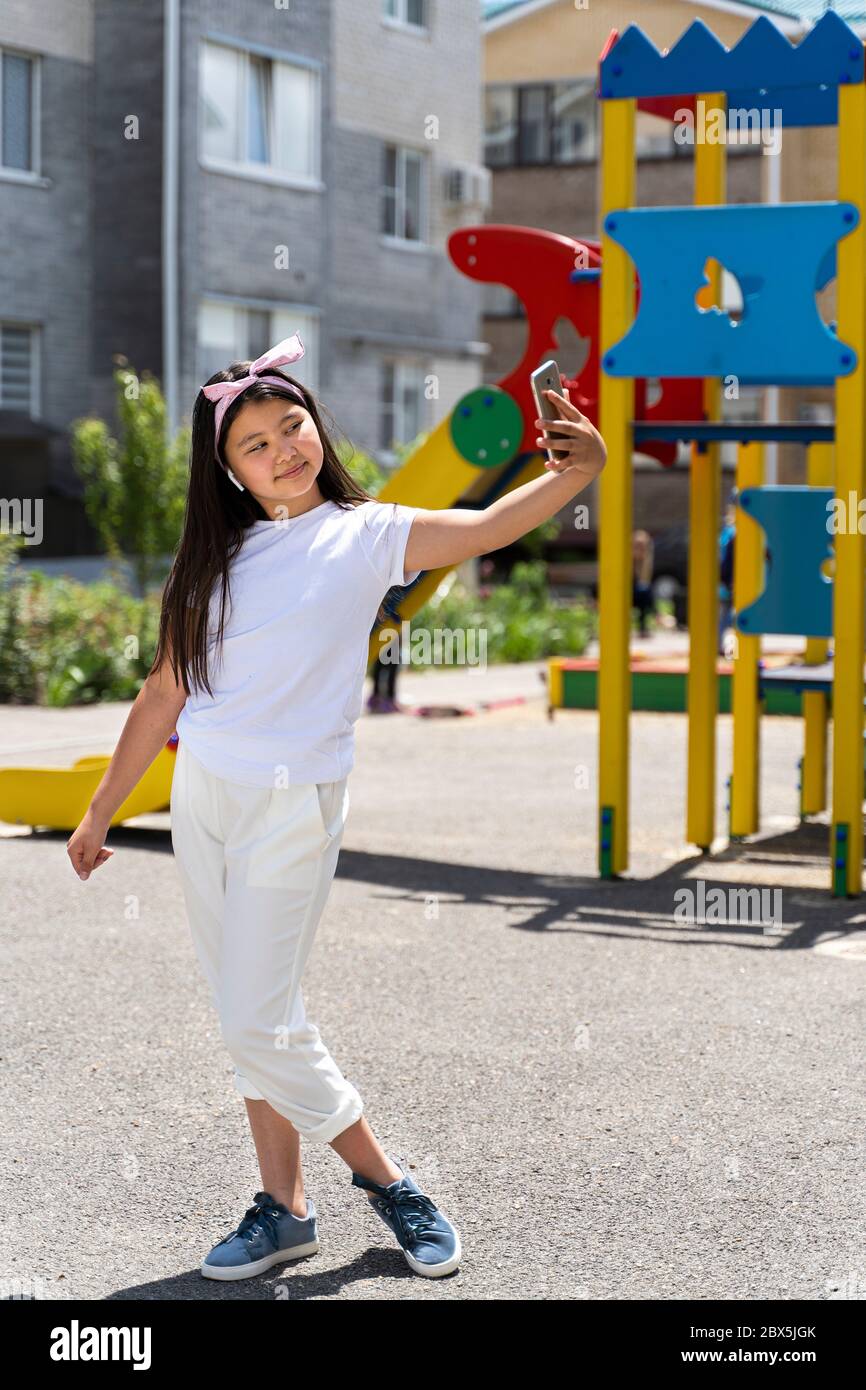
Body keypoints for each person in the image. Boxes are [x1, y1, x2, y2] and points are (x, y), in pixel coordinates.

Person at [65, 338, 607, 1282]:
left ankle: (389, 1183)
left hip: (295, 804)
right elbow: (163, 693)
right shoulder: (208, 568)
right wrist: (100, 809)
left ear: (317, 428)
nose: (283, 450)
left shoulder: (367, 532)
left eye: (292, 428)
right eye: (255, 445)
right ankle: (284, 1211)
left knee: (253, 1020)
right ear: (227, 472)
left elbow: (485, 527)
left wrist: (584, 471)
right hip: (206, 801)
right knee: (254, 1008)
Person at [719, 491, 738, 656]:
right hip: (733, 580)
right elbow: (728, 560)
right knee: (730, 616)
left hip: (728, 579)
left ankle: (720, 645)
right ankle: (731, 648)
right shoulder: (734, 533)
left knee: (725, 615)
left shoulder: (728, 530)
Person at [631, 529, 655, 636]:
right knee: (644, 592)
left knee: (645, 593)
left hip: (641, 596)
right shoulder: (627, 560)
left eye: (642, 545)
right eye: (637, 545)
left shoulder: (648, 561)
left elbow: (645, 580)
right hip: (628, 592)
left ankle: (643, 626)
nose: (640, 548)